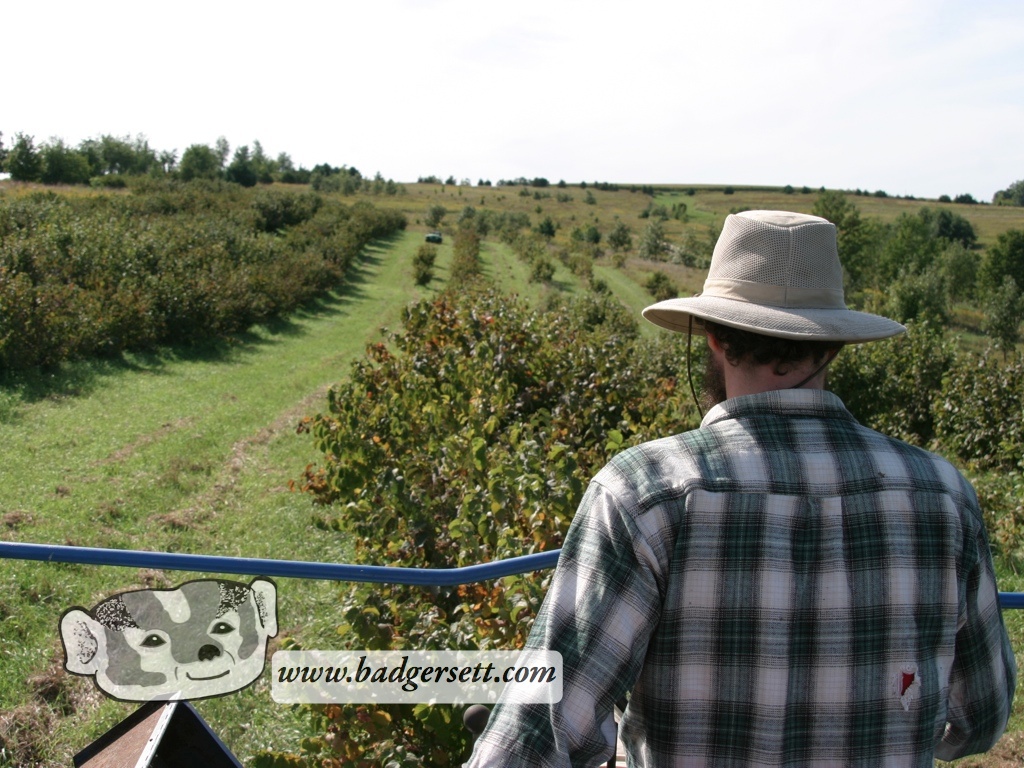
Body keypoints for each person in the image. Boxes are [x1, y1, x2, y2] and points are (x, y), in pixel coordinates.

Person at [466, 210, 1016, 767]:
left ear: (711, 336)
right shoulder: (943, 496)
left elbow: (530, 743)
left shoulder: (644, 493)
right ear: (832, 345)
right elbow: (981, 716)